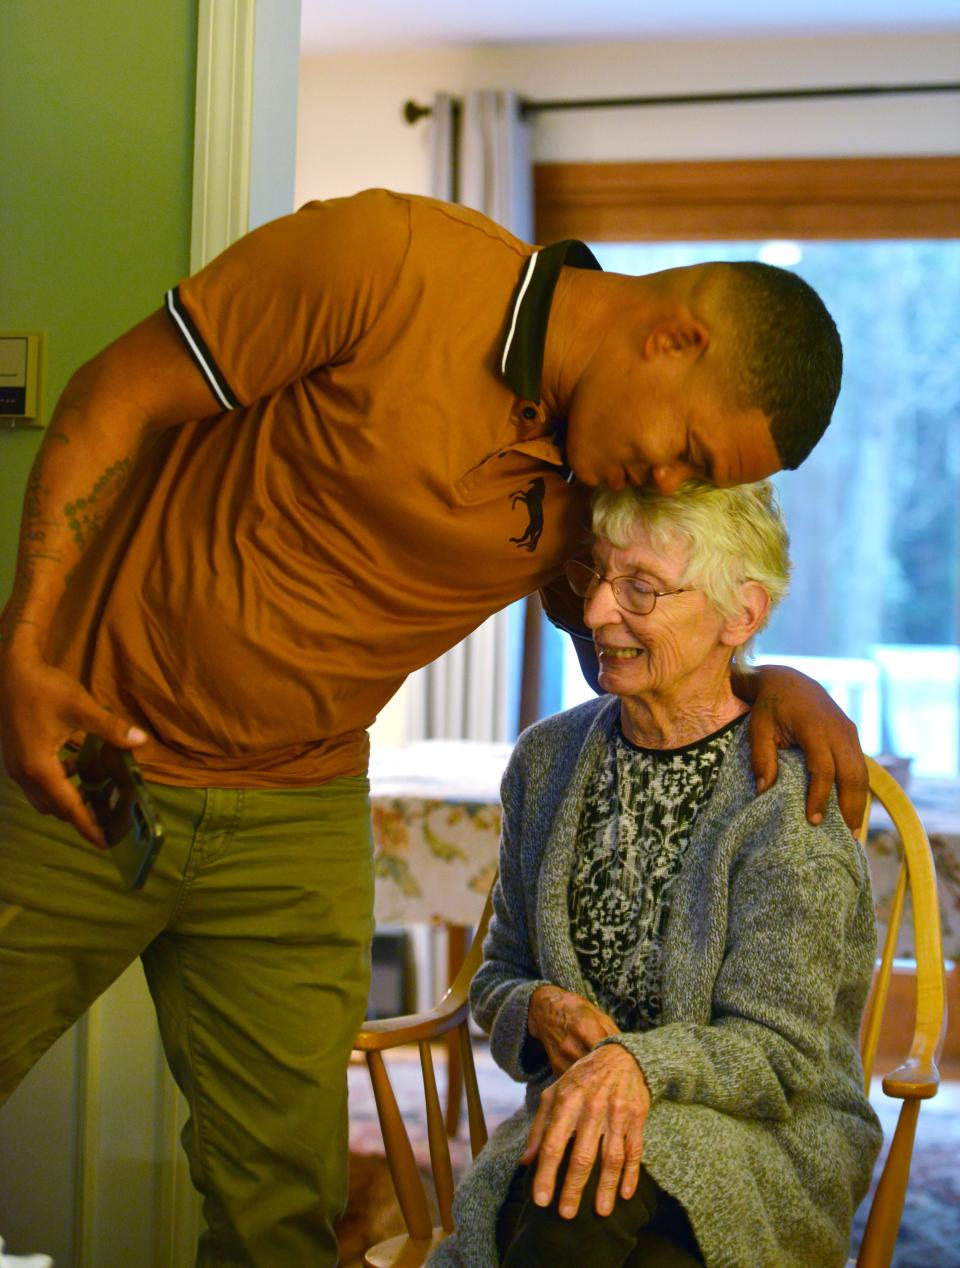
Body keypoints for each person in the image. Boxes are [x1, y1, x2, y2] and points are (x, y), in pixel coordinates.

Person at [0, 188, 866, 1267]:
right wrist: (24, 655)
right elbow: (109, 397)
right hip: (89, 753)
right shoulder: (389, 260)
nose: (670, 480)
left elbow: (658, 619)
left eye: (699, 479)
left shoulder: (588, 491)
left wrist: (776, 681)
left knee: (282, 1212)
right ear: (674, 335)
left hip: (295, 810)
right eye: (686, 446)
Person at [431, 479, 881, 1268]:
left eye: (640, 587)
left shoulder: (785, 798)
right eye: (596, 576)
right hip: (577, 1136)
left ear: (740, 614)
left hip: (764, 1146)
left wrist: (635, 1062)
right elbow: (497, 975)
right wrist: (536, 1006)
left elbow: (778, 1056)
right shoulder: (546, 762)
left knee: (572, 1217)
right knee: (581, 1211)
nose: (600, 611)